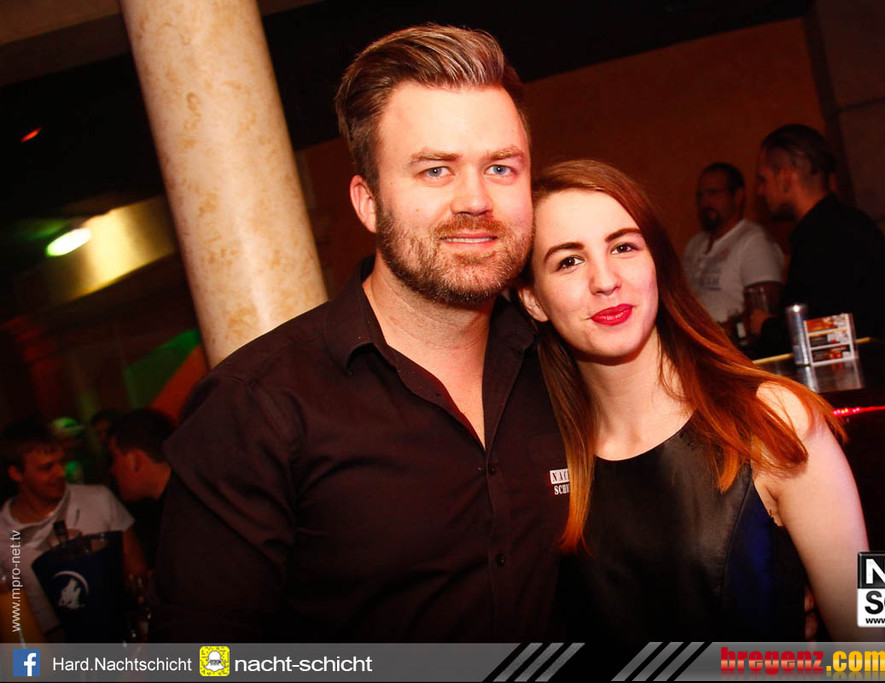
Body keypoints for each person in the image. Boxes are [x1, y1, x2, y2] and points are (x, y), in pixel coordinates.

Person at [150, 25, 567, 642]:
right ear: (367, 201)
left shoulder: (561, 362)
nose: (476, 200)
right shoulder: (256, 409)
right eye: (435, 170)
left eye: (501, 167)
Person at [517, 160, 885, 649]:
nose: (605, 280)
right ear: (533, 299)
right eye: (568, 261)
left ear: (657, 263)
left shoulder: (771, 421)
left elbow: (869, 656)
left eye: (624, 247)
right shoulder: (539, 459)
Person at [0, 418, 147, 639]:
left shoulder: (99, 499)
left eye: (61, 462)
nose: (60, 473)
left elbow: (138, 575)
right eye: (46, 468)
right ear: (16, 473)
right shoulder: (3, 533)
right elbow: (13, 625)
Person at [756, 124, 885, 341]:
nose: (760, 191)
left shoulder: (827, 239)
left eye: (763, 180)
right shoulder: (844, 225)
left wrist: (766, 327)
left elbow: (829, 333)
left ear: (785, 177)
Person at [683, 162, 783, 343]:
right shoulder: (694, 244)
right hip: (693, 346)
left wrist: (723, 332)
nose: (705, 202)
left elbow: (765, 311)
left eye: (713, 193)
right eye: (700, 195)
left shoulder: (754, 241)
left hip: (734, 348)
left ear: (738, 196)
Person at [108, 409, 175, 568]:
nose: (112, 470)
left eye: (114, 458)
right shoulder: (188, 496)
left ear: (134, 460)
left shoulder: (182, 517)